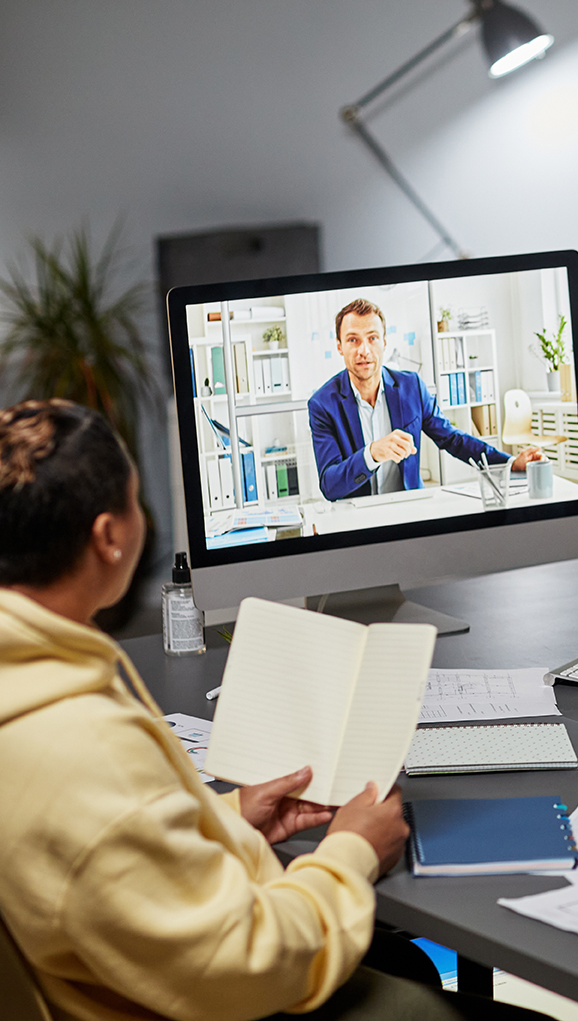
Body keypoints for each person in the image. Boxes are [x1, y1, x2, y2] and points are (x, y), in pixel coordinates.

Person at [0, 399, 542, 1020]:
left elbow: (113, 865)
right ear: (110, 536)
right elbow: (247, 962)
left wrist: (226, 820)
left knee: (407, 964)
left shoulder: (29, 682)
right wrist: (352, 849)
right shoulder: (86, 748)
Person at [309, 299, 545, 501]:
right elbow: (330, 485)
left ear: (384, 342)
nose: (364, 350)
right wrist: (371, 454)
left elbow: (453, 439)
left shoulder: (411, 387)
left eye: (372, 338)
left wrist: (510, 463)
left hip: (409, 505)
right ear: (339, 346)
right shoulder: (322, 404)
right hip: (356, 514)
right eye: (353, 340)